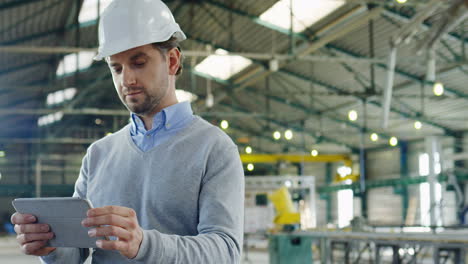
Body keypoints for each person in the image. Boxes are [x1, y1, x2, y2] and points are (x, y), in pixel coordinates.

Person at [10, 0, 245, 263]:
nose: (127, 80)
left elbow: (225, 252)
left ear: (172, 60)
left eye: (139, 63)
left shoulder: (214, 148)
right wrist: (51, 245)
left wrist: (145, 244)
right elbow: (76, 250)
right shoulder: (99, 154)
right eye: (117, 68)